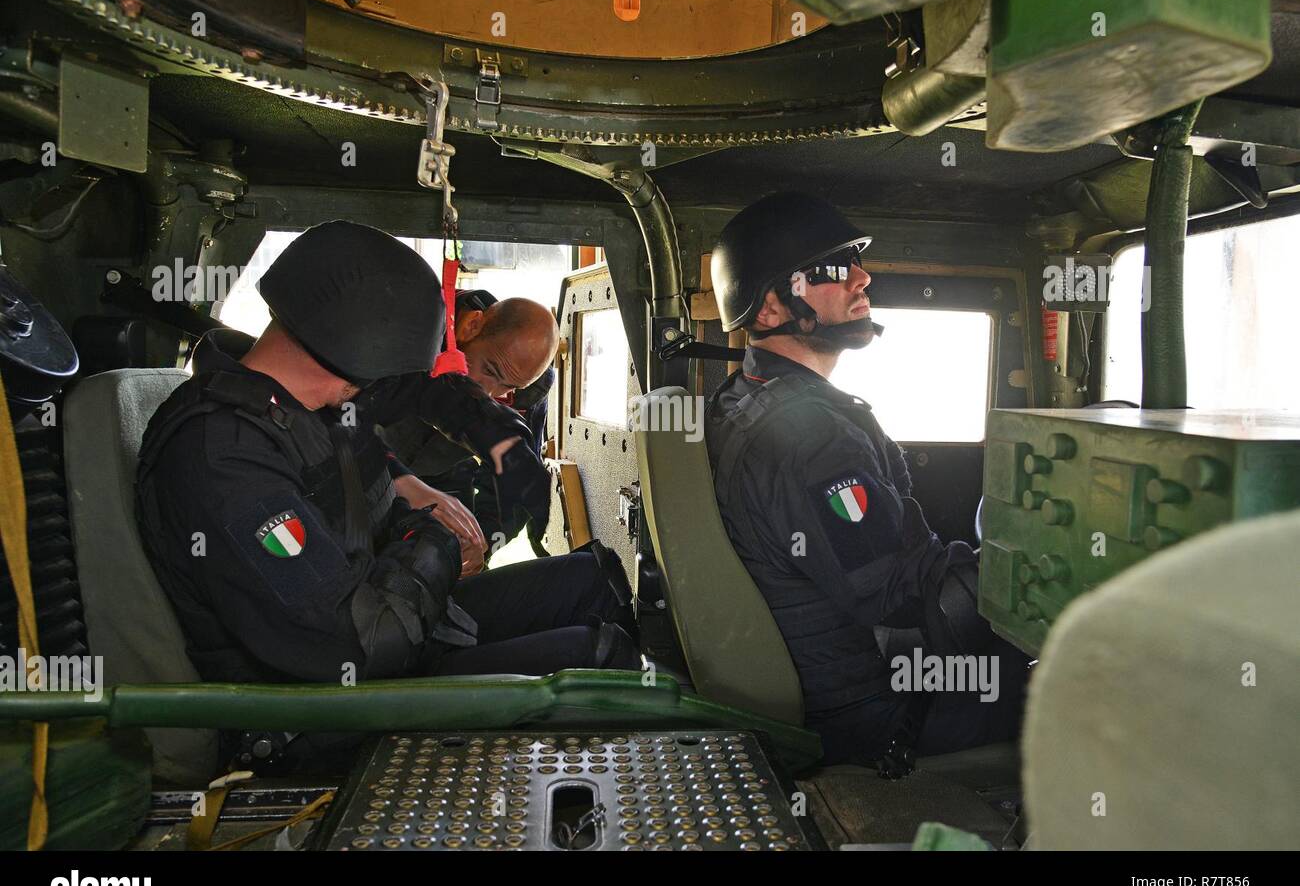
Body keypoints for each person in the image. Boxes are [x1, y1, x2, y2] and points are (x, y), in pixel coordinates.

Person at [135, 221, 638, 774]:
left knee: (592, 577)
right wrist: (437, 539)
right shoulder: (222, 456)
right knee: (601, 657)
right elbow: (356, 644)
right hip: (326, 710)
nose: (403, 376)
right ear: (357, 334)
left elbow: (374, 489)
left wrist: (444, 486)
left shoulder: (316, 408)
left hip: (401, 622)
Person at [704, 192, 1029, 774]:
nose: (861, 277)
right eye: (832, 270)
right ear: (770, 310)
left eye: (855, 260)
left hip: (831, 674)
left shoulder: (740, 397)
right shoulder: (813, 439)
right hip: (870, 712)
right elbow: (910, 595)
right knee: (1092, 697)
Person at [379, 289, 556, 563]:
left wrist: (481, 544)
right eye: (489, 370)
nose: (488, 392)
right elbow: (341, 420)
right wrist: (401, 482)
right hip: (367, 453)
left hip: (447, 473)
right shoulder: (412, 327)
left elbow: (511, 494)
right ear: (471, 325)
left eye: (507, 387)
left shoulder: (526, 391)